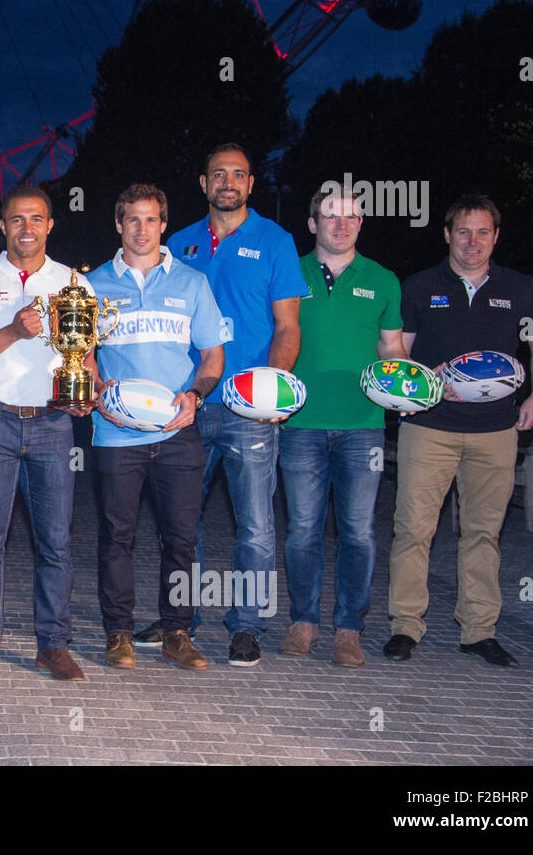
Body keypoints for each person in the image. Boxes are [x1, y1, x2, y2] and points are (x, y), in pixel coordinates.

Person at [385, 194, 533, 667]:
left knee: (483, 533)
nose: (473, 241)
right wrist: (423, 377)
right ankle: (405, 625)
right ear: (447, 234)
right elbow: (398, 355)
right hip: (429, 427)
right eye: (463, 231)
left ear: (496, 237)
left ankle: (479, 630)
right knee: (414, 529)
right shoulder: (420, 287)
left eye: (483, 232)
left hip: (495, 431)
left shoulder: (518, 288)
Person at [158, 143, 309, 667]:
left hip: (248, 409)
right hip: (191, 404)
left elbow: (288, 326)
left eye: (238, 175)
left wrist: (274, 387)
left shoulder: (276, 240)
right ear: (203, 183)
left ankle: (246, 625)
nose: (228, 182)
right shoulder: (178, 243)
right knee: (182, 520)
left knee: (256, 524)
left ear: (250, 184)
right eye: (217, 173)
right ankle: (183, 617)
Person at [0, 185, 92, 681]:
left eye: (36, 219)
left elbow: (86, 358)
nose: (26, 228)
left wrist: (88, 390)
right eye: (16, 220)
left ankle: (52, 643)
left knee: (55, 541)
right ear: (3, 226)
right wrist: (12, 331)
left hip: (53, 424)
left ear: (50, 224)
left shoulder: (75, 283)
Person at [89, 184, 226, 672]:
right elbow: (81, 354)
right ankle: (118, 633)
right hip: (115, 435)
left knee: (181, 539)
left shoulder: (192, 283)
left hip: (176, 433)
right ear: (118, 225)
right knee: (116, 535)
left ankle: (177, 631)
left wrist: (196, 394)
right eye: (132, 220)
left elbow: (212, 356)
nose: (141, 229)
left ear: (163, 224)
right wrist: (96, 387)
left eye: (151, 220)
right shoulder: (93, 286)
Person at [278, 189, 405, 668]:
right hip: (300, 423)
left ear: (361, 223)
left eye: (351, 216)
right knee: (303, 530)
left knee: (358, 532)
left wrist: (407, 388)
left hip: (362, 426)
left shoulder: (384, 280)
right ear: (313, 224)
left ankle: (349, 629)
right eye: (331, 216)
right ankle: (303, 621)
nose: (341, 223)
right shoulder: (291, 273)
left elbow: (391, 349)